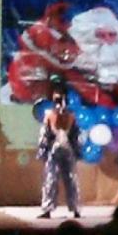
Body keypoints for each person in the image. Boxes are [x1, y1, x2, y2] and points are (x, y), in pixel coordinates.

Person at [37, 86, 81, 219]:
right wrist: (43, 150)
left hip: (67, 150)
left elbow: (75, 135)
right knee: (51, 178)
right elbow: (45, 134)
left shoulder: (71, 115)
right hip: (54, 150)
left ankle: (76, 208)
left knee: (71, 179)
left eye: (61, 98)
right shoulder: (49, 114)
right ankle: (47, 208)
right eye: (56, 99)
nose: (59, 101)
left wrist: (77, 150)